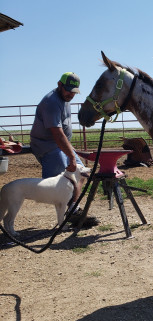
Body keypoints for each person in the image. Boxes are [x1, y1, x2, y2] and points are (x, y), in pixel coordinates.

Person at [30, 72, 98, 226]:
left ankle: (73, 209)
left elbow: (63, 135)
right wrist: (72, 157)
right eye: (68, 90)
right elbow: (57, 133)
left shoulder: (65, 99)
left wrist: (73, 151)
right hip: (47, 145)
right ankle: (67, 212)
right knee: (62, 178)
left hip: (60, 143)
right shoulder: (51, 102)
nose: (71, 94)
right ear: (59, 85)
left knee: (81, 173)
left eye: (74, 92)